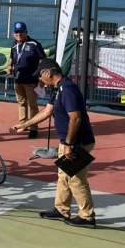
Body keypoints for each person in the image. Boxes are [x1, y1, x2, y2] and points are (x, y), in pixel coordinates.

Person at [12, 58, 97, 227]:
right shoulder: (57, 89)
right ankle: (61, 209)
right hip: (68, 141)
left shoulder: (68, 90)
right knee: (63, 177)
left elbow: (76, 117)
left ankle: (87, 216)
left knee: (76, 180)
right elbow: (47, 111)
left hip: (77, 142)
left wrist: (69, 145)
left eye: (40, 76)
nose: (40, 80)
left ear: (48, 73)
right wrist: (24, 125)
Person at [9, 22, 45, 139]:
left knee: (32, 105)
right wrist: (10, 66)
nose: (18, 34)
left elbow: (43, 61)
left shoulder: (34, 44)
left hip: (31, 81)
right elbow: (12, 59)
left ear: (26, 32)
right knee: (21, 103)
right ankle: (22, 124)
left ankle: (33, 127)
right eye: (16, 32)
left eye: (21, 32)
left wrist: (40, 78)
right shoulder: (14, 45)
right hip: (18, 80)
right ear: (14, 34)